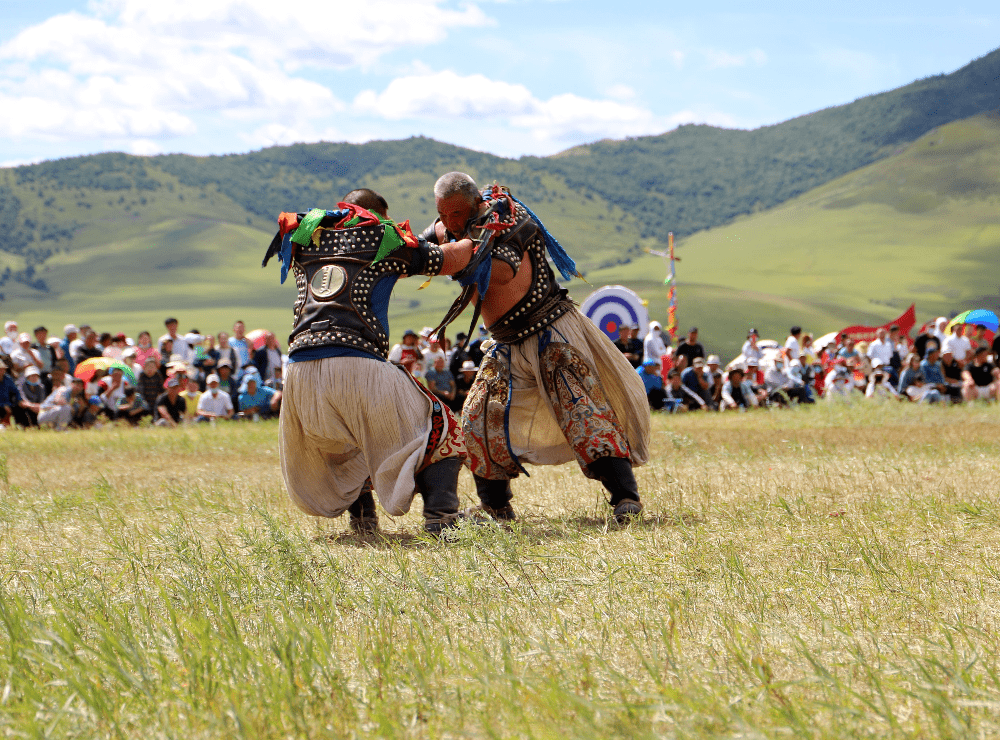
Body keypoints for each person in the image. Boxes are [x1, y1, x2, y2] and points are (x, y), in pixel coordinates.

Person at [420, 172, 649, 523]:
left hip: (551, 330)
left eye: (457, 214)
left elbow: (503, 269)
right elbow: (419, 247)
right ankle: (496, 507)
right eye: (443, 214)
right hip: (505, 342)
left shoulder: (507, 214)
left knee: (583, 412)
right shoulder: (448, 230)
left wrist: (447, 256)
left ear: (475, 204)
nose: (450, 222)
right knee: (477, 421)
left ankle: (625, 498)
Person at [264, 187, 471, 535]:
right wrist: (474, 238)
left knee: (345, 443)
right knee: (442, 426)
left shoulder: (306, 237)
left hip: (298, 375)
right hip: (356, 363)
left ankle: (363, 520)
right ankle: (441, 518)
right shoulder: (382, 235)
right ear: (379, 212)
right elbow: (450, 258)